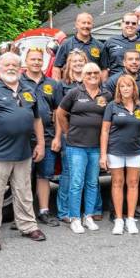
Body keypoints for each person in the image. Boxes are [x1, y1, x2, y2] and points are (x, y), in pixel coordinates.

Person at [0, 52, 47, 251]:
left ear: (20, 67)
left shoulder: (28, 90)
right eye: (7, 64)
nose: (11, 68)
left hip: (24, 152)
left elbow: (37, 119)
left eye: (15, 64)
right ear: (0, 68)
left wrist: (40, 143)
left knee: (24, 192)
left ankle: (28, 226)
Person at [56, 62, 112, 234]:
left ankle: (88, 216)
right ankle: (74, 218)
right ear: (83, 76)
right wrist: (67, 132)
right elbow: (60, 113)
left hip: (96, 147)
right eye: (89, 73)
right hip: (76, 146)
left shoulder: (107, 95)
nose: (93, 76)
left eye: (96, 72)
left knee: (92, 183)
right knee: (76, 183)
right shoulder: (74, 93)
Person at [100, 75, 140, 234]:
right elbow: (105, 131)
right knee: (117, 183)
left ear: (134, 88)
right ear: (119, 89)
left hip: (136, 151)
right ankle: (119, 220)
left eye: (129, 85)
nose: (126, 88)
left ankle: (130, 219)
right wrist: (103, 155)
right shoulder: (112, 106)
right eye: (123, 86)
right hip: (115, 151)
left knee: (134, 183)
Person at [20, 47, 63, 227]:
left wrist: (57, 137)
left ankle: (44, 211)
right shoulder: (18, 82)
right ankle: (23, 214)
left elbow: (58, 112)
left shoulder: (53, 84)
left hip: (47, 137)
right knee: (22, 178)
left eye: (39, 59)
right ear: (26, 61)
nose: (36, 62)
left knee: (44, 175)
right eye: (33, 59)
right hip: (23, 138)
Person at [54, 49, 88, 223]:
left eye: (81, 60)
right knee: (68, 172)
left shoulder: (92, 82)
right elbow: (58, 113)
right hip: (71, 135)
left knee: (88, 174)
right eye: (74, 61)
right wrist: (60, 136)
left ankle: (86, 210)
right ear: (68, 64)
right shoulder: (62, 85)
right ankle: (64, 211)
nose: (77, 64)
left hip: (89, 136)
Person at [101, 12, 140, 79]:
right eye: (127, 23)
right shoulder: (110, 42)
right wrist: (104, 87)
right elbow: (104, 68)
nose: (130, 25)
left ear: (138, 26)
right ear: (122, 24)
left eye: (133, 23)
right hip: (116, 85)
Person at [52, 13, 103, 79]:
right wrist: (57, 87)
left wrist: (103, 86)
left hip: (92, 85)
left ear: (92, 25)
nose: (86, 26)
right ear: (77, 25)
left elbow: (104, 69)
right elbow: (56, 68)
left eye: (89, 23)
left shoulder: (100, 46)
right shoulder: (66, 44)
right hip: (70, 86)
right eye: (83, 23)